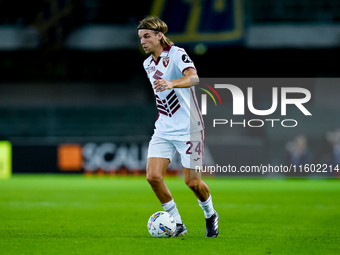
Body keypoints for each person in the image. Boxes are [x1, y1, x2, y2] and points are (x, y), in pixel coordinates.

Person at [138, 16, 219, 237]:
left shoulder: (177, 54)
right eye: (140, 38)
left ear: (159, 35)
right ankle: (178, 223)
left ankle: (210, 214)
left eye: (146, 36)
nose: (143, 41)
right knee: (153, 177)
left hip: (189, 128)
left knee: (193, 182)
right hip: (164, 127)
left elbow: (194, 78)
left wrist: (171, 83)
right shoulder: (147, 64)